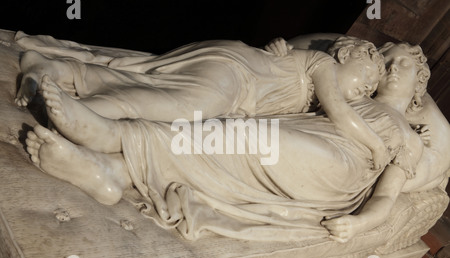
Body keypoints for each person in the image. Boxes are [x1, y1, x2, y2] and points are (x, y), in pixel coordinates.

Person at [24, 42, 434, 243]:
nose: (392, 68)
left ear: (420, 89)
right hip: (296, 129)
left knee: (246, 137)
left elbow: (386, 199)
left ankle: (109, 135)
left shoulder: (409, 140)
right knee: (223, 132)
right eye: (386, 60)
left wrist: (361, 222)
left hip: (338, 164)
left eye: (404, 64)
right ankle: (110, 169)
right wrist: (283, 49)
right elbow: (306, 74)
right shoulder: (342, 91)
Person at [16, 34, 388, 169]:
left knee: (153, 90)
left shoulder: (312, 92)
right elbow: (340, 114)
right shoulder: (323, 66)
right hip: (236, 74)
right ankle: (87, 116)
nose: (364, 90)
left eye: (371, 90)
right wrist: (376, 145)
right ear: (344, 55)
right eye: (366, 77)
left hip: (235, 84)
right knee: (180, 109)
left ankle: (54, 67)